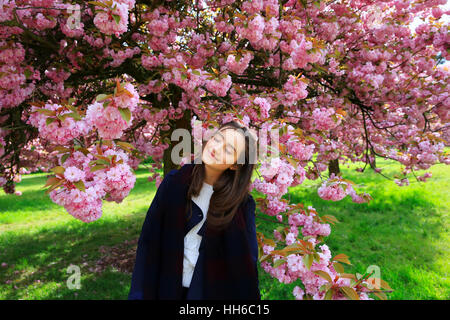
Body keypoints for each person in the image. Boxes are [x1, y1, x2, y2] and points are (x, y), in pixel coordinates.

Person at [128, 120, 260, 300]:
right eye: (217, 139)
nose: (217, 148)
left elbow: (246, 263)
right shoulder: (174, 183)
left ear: (235, 165)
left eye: (229, 150)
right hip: (165, 287)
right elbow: (149, 240)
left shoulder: (241, 205)